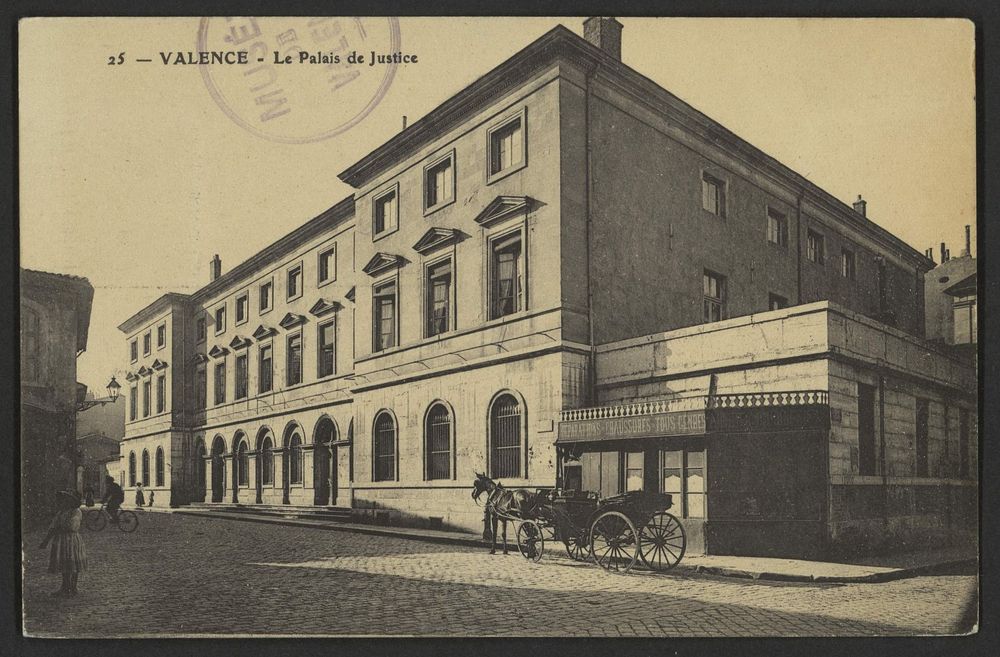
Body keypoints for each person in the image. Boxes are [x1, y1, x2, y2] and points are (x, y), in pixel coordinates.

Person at [39, 490, 87, 596]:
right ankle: (65, 587)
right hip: (61, 540)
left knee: (73, 562)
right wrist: (45, 541)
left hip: (71, 540)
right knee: (64, 563)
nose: (61, 503)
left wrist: (59, 528)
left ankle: (73, 587)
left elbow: (72, 526)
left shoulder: (76, 511)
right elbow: (53, 526)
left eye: (63, 500)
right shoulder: (61, 512)